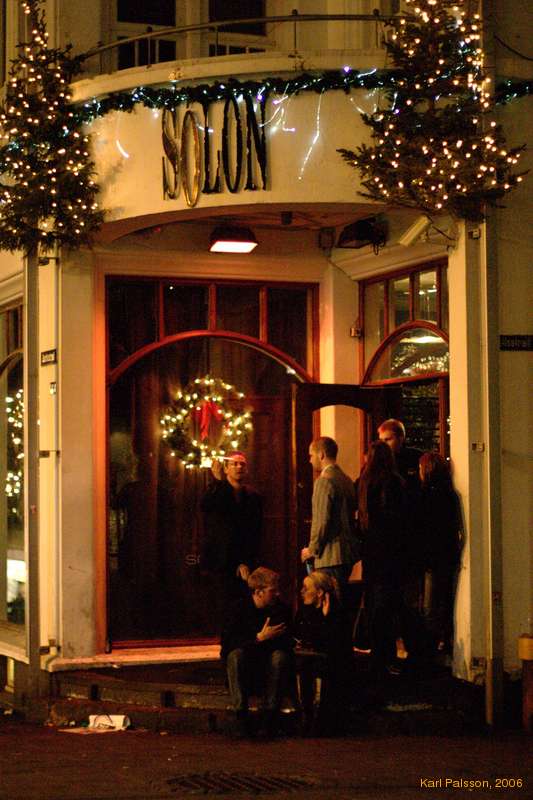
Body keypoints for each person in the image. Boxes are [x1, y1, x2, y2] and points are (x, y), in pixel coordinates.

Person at [356, 440, 413, 673]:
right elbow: (402, 520)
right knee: (390, 604)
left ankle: (377, 653)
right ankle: (388, 653)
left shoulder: (363, 483)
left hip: (371, 551)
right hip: (392, 552)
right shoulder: (394, 482)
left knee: (374, 603)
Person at [220, 567, 294, 738]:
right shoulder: (238, 609)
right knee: (235, 656)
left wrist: (267, 641)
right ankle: (240, 716)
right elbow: (228, 643)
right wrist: (259, 638)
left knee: (279, 657)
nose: (277, 594)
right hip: (247, 664)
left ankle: (270, 717)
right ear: (259, 592)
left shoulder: (281, 609)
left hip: (269, 663)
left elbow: (286, 642)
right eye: (272, 590)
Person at [200, 451, 262, 618]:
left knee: (242, 607)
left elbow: (254, 532)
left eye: (242, 464)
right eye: (234, 463)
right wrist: (218, 482)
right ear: (226, 469)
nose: (239, 466)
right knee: (221, 606)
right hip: (221, 560)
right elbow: (207, 507)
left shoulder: (253, 497)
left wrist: (245, 561)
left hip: (245, 560)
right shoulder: (216, 490)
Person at [294, 571, 354, 735]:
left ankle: (319, 718)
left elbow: (331, 643)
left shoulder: (337, 613)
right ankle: (305, 715)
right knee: (302, 665)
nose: (302, 592)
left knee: (320, 667)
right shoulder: (305, 610)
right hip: (309, 657)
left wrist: (325, 618)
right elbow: (299, 634)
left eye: (306, 588)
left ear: (320, 592)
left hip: (332, 660)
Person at [300, 437, 357, 598]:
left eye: (311, 455)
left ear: (321, 455)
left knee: (329, 603)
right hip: (347, 554)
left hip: (329, 556)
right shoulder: (346, 480)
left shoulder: (324, 481)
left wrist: (312, 550)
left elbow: (321, 521)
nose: (310, 460)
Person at [418, 452, 463, 655]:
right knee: (446, 601)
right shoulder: (451, 495)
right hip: (448, 555)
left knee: (429, 605)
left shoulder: (424, 495)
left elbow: (420, 528)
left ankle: (429, 646)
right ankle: (445, 640)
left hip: (430, 557)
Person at [378, 419, 423, 495]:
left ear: (400, 438)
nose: (383, 444)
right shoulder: (377, 461)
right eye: (381, 441)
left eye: (387, 439)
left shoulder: (416, 457)